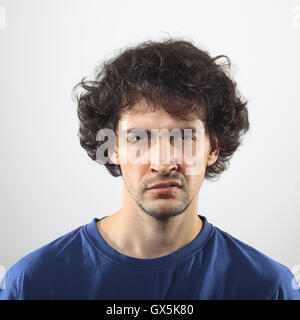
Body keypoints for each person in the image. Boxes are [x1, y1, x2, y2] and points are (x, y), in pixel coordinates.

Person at [1, 38, 299, 300]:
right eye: (139, 138)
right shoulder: (35, 283)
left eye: (185, 137)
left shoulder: (266, 288)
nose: (163, 163)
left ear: (213, 149)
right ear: (112, 147)